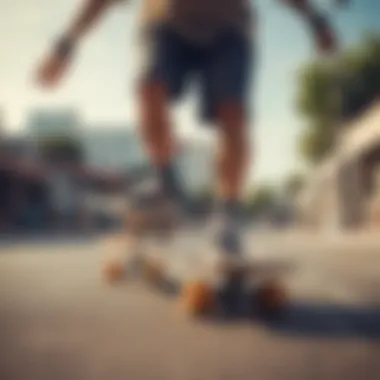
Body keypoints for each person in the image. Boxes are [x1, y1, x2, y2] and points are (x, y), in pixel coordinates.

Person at [35, 0, 336, 258]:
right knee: (148, 87)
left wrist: (315, 20)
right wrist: (65, 46)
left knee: (232, 113)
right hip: (165, 23)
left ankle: (228, 214)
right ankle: (166, 182)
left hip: (229, 28)